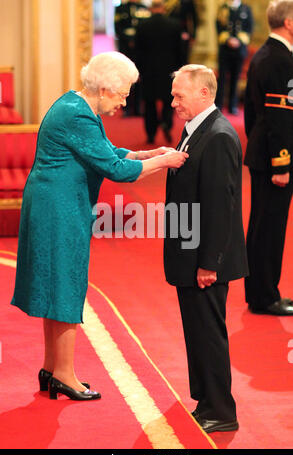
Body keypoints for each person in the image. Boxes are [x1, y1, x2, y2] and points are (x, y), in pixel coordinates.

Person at [11, 51, 188, 401]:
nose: (125, 100)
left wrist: (148, 155)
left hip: (55, 203)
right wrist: (166, 161)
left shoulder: (77, 105)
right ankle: (63, 373)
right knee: (66, 284)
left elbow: (105, 151)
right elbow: (116, 170)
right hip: (58, 208)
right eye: (123, 92)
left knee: (57, 285)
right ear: (105, 87)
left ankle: (52, 368)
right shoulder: (79, 114)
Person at [164, 64, 248, 433]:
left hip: (206, 259)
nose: (173, 102)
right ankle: (205, 399)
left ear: (204, 94)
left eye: (179, 95)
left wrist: (209, 262)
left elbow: (220, 206)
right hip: (191, 251)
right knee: (196, 331)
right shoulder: (195, 129)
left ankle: (221, 409)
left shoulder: (217, 136)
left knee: (209, 333)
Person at [244, 0, 293, 316]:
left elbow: (253, 115)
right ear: (289, 23)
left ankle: (264, 291)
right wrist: (282, 162)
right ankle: (264, 296)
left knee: (265, 226)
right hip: (275, 160)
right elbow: (278, 117)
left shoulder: (269, 54)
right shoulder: (280, 60)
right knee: (268, 228)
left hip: (264, 154)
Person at [135, 0, 183, 143]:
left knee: (149, 103)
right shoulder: (174, 25)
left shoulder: (142, 25)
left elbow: (138, 51)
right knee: (169, 100)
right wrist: (180, 70)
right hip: (169, 70)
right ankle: (166, 122)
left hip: (148, 71)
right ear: (163, 8)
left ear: (151, 8)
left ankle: (150, 134)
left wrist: (138, 71)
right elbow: (180, 51)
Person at [215, 0, 253, 115]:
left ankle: (233, 105)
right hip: (225, 49)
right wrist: (227, 39)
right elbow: (218, 26)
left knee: (235, 79)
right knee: (221, 79)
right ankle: (219, 105)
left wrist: (239, 41)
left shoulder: (246, 9)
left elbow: (249, 28)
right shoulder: (223, 8)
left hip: (239, 50)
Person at [114, 0, 151, 116]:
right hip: (126, 49)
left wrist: (136, 41)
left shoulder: (143, 8)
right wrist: (129, 40)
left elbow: (146, 28)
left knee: (140, 79)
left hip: (140, 50)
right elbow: (117, 28)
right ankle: (126, 108)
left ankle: (138, 107)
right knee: (125, 78)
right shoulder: (120, 9)